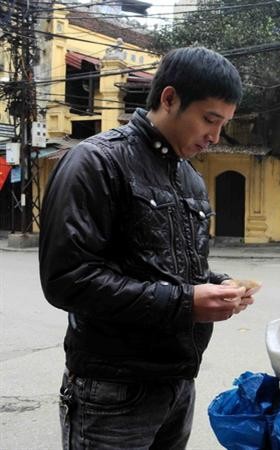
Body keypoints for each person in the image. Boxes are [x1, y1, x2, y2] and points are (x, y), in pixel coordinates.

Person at [39, 47, 254, 449]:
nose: (214, 136)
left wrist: (218, 286)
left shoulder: (187, 177)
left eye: (223, 124)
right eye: (209, 120)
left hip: (176, 385)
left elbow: (171, 270)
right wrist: (186, 303)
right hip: (113, 393)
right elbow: (68, 280)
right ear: (169, 98)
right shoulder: (95, 162)